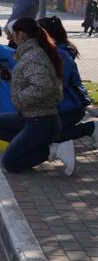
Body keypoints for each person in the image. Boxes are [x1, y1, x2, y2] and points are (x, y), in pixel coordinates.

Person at [0, 17, 66, 173]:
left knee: (9, 163)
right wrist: (15, 75)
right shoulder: (32, 53)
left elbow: (43, 86)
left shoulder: (32, 57)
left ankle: (53, 151)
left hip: (41, 121)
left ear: (21, 35)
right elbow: (38, 79)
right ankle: (27, 145)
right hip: (29, 116)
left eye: (13, 34)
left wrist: (19, 98)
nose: (12, 38)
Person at [38, 17, 94, 174]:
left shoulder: (60, 55)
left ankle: (89, 128)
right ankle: (60, 143)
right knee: (41, 130)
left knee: (44, 131)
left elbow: (57, 87)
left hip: (71, 108)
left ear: (47, 35)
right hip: (64, 106)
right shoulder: (53, 52)